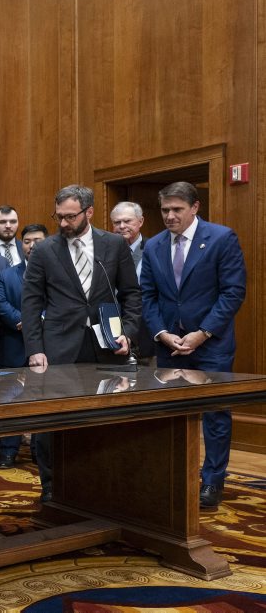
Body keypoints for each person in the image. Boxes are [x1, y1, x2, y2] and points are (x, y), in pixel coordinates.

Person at [21, 184, 141, 501]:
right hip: (59, 347)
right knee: (52, 421)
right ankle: (51, 486)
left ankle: (101, 481)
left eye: (70, 217)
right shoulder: (45, 250)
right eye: (59, 216)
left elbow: (131, 294)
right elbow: (31, 303)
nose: (63, 223)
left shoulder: (114, 245)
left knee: (104, 419)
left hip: (106, 346)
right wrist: (35, 349)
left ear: (89, 212)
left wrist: (128, 333)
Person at [141, 181, 246, 509]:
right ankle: (174, 475)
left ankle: (212, 480)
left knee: (215, 414)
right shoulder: (153, 245)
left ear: (195, 207)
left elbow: (233, 292)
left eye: (177, 209)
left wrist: (203, 333)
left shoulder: (221, 238)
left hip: (211, 345)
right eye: (165, 210)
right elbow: (148, 296)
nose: (170, 216)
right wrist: (161, 332)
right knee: (170, 414)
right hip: (169, 346)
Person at [0, 223, 47, 469]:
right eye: (27, 241)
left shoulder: (55, 274)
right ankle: (7, 451)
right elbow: (1, 304)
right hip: (13, 344)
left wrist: (37, 322)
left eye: (38, 240)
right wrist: (24, 322)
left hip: (45, 346)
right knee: (10, 401)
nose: (32, 245)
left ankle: (39, 451)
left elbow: (58, 304)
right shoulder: (6, 275)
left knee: (42, 401)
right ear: (20, 245)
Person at [111, 201, 154, 360]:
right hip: (114, 325)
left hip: (146, 327)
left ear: (140, 221)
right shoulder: (106, 250)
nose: (122, 226)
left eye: (127, 221)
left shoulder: (153, 248)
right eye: (117, 222)